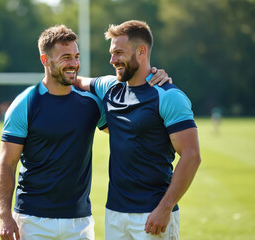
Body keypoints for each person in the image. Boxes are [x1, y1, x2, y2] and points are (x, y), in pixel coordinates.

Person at [0, 24, 170, 240]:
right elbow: (7, 162)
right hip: (32, 220)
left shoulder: (91, 103)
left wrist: (152, 75)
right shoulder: (25, 104)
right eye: (66, 57)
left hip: (80, 223)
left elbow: (127, 131)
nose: (74, 64)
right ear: (45, 60)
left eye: (76, 57)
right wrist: (5, 215)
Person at [76, 20, 201, 240]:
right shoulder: (110, 87)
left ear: (141, 51)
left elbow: (191, 156)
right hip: (114, 212)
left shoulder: (169, 96)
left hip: (152, 214)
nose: (112, 60)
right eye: (112, 53)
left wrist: (165, 209)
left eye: (119, 53)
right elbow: (77, 81)